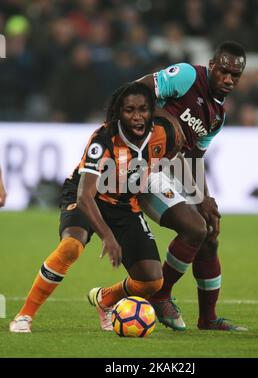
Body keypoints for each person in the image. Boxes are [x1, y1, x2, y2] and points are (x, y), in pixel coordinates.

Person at [9, 82, 187, 333]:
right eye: (129, 110)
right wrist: (108, 236)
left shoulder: (165, 132)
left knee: (152, 281)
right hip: (88, 197)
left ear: (151, 112)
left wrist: (191, 190)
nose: (137, 116)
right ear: (118, 113)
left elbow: (177, 152)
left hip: (125, 203)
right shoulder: (103, 140)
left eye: (143, 110)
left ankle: (105, 299)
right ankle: (24, 315)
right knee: (72, 246)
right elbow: (85, 196)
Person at [136, 41, 248, 331]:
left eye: (235, 76)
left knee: (209, 230)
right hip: (140, 164)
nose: (228, 79)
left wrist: (205, 199)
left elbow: (195, 158)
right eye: (223, 71)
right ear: (212, 66)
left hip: (168, 168)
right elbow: (136, 91)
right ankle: (160, 295)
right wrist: (167, 117)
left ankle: (208, 319)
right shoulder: (187, 76)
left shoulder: (218, 116)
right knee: (194, 228)